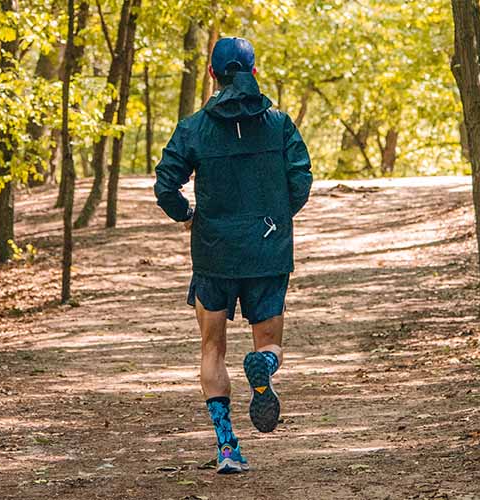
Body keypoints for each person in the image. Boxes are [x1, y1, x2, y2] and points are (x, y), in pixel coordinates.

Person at [153, 37, 313, 474]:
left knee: (212, 348)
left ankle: (227, 448)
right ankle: (262, 365)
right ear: (254, 73)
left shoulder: (192, 128)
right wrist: (276, 219)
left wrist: (187, 214)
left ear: (212, 75)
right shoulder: (279, 124)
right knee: (271, 343)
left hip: (214, 253)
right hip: (267, 251)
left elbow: (166, 185)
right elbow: (301, 179)